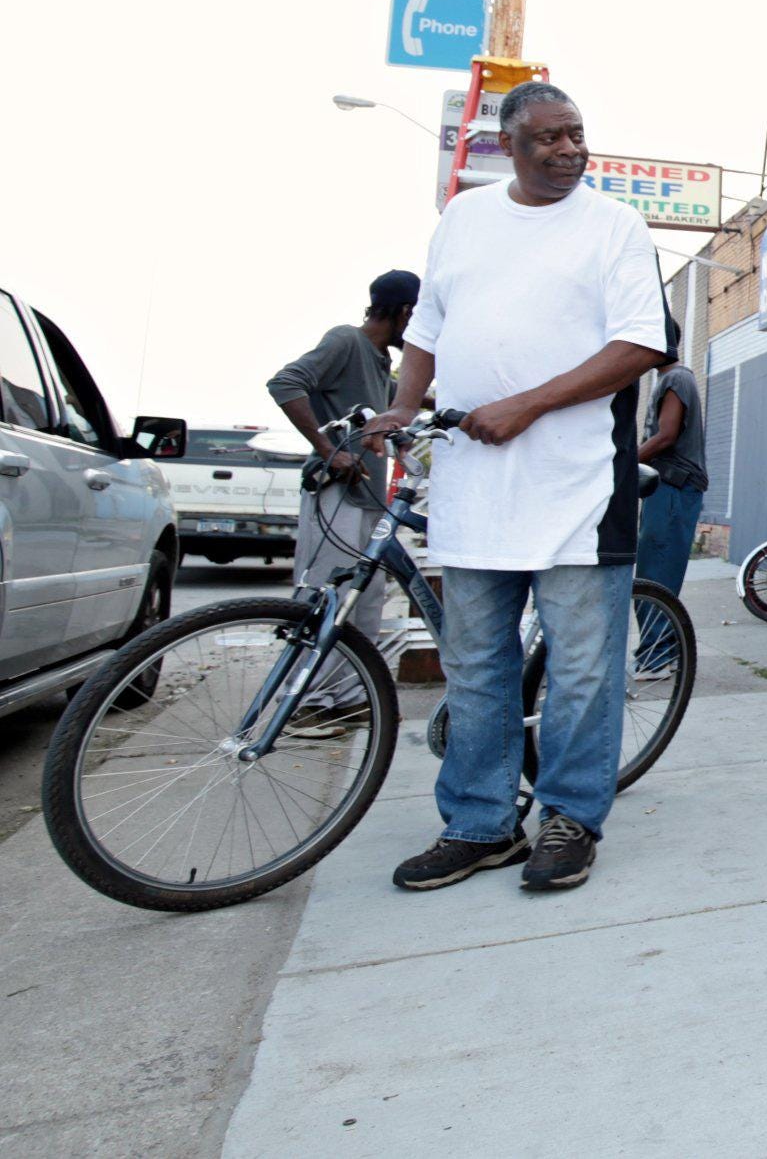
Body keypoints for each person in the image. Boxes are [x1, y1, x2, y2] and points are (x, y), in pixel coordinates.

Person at [364, 80, 671, 895]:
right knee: (475, 666)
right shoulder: (465, 219)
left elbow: (641, 343)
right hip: (473, 491)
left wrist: (526, 405)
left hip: (574, 488)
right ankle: (479, 824)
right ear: (510, 145)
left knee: (581, 670)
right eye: (548, 138)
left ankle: (570, 817)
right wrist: (402, 407)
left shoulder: (614, 226)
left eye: (576, 134)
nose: (569, 149)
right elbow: (425, 333)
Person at [266, 269, 419, 712]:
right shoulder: (346, 341)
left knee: (365, 598)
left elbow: (400, 402)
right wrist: (329, 449)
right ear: (405, 311)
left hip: (367, 496)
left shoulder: (377, 360)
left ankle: (349, 697)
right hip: (334, 490)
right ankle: (307, 703)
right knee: (322, 595)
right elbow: (285, 383)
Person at [632, 359, 705, 670]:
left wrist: (621, 466)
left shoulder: (676, 378)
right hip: (670, 487)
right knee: (658, 571)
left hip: (673, 486)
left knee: (655, 574)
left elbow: (665, 436)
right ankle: (665, 653)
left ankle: (656, 657)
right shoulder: (675, 378)